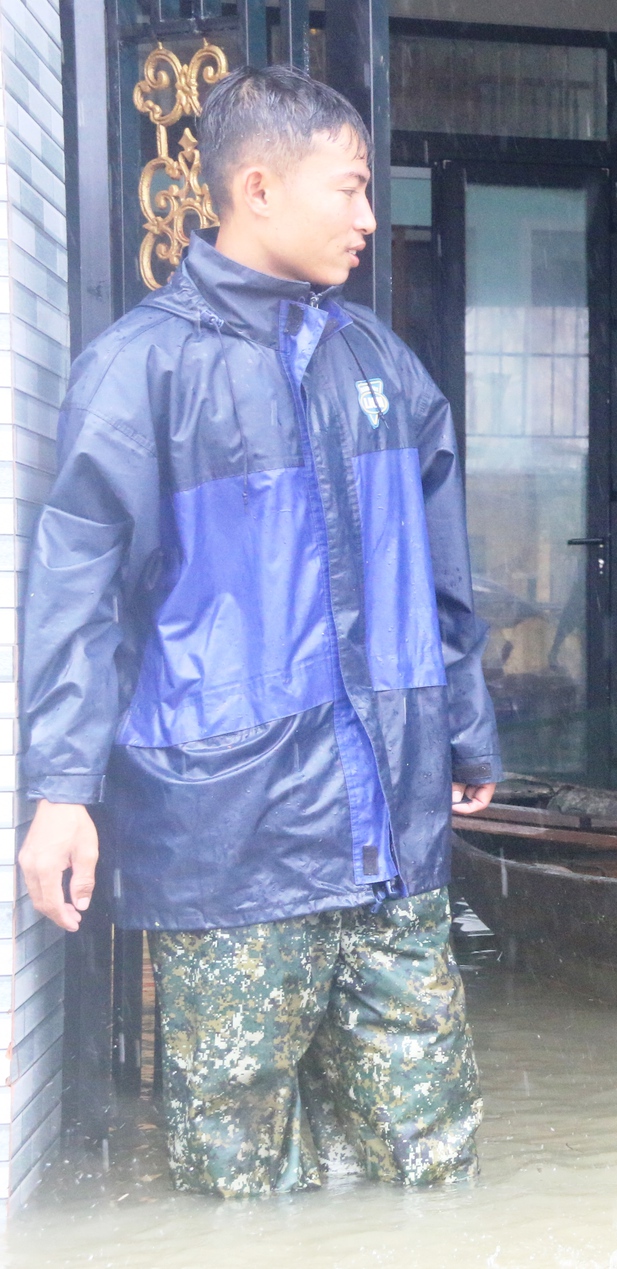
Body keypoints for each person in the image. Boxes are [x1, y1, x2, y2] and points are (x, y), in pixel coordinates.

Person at [16, 65, 500, 1197]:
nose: (371, 218)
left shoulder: (381, 368)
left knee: (429, 1172)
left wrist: (464, 733)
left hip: (389, 852)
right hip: (229, 849)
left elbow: (440, 577)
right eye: (350, 188)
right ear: (258, 186)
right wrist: (59, 788)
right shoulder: (143, 370)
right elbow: (77, 591)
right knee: (236, 1191)